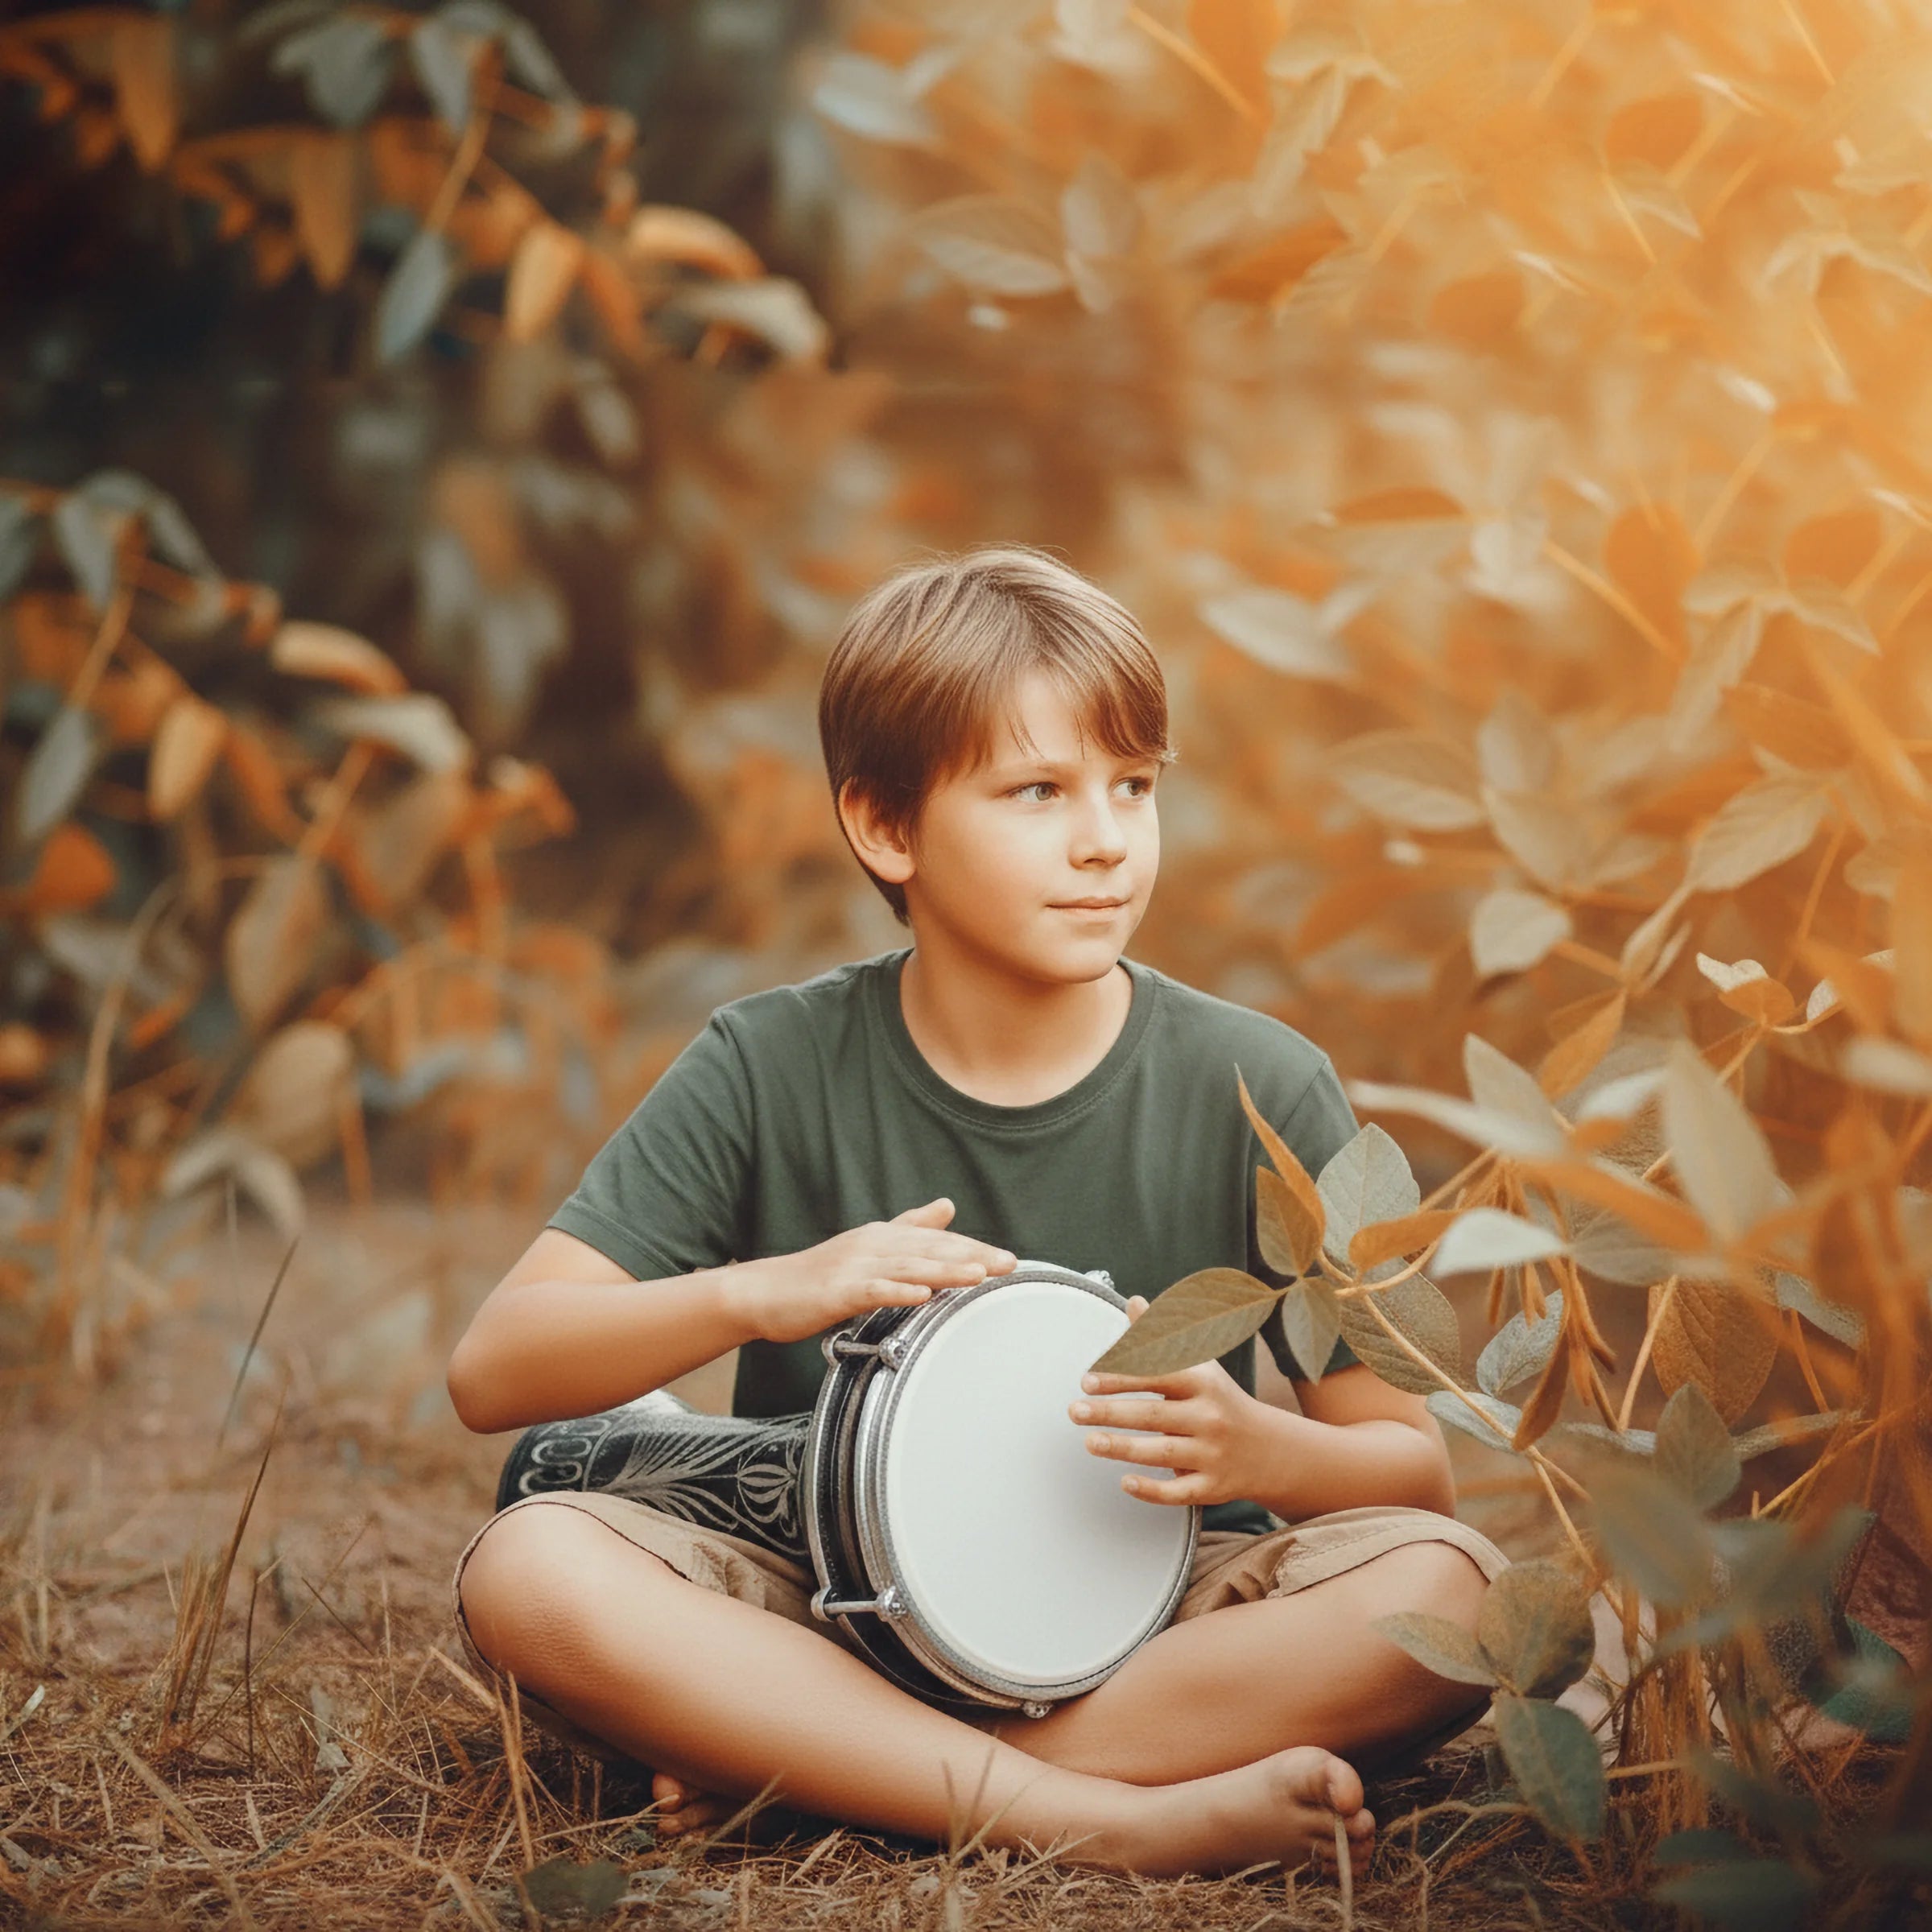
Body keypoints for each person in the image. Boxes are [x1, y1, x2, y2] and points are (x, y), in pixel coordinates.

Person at [445, 545, 1508, 1883]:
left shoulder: (1259, 1082)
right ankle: (1105, 1819)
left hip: (1163, 1614)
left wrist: (1258, 1449)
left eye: (1133, 785)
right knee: (530, 1571)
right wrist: (761, 1291)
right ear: (887, 826)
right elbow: (497, 1371)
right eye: (1037, 792)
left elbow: (1414, 1473)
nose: (1105, 840)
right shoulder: (768, 1062)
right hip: (835, 1601)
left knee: (1450, 1591)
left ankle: (820, 1771)